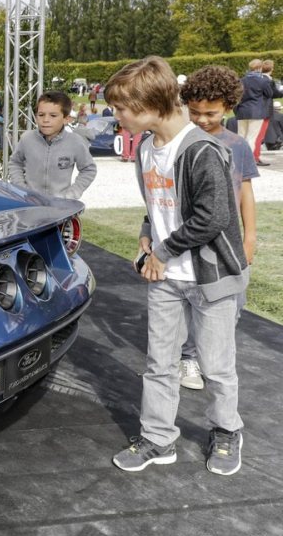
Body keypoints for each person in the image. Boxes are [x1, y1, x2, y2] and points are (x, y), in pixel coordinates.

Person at [107, 56, 248, 476]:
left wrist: (162, 252)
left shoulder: (204, 150)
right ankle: (158, 438)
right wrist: (146, 236)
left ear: (150, 104)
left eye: (121, 109)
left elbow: (214, 216)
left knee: (216, 366)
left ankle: (226, 432)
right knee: (160, 363)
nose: (117, 117)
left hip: (211, 278)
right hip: (165, 279)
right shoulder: (147, 149)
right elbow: (157, 206)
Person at [175, 66, 259, 390]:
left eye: (210, 113)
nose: (201, 120)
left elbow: (246, 193)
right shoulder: (180, 142)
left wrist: (250, 238)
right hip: (191, 240)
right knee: (191, 304)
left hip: (228, 245)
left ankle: (215, 357)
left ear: (228, 106)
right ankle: (189, 358)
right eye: (194, 112)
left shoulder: (238, 145)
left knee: (232, 305)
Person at [8, 91, 97, 198]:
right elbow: (15, 163)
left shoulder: (75, 141)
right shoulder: (27, 139)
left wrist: (72, 194)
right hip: (30, 205)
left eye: (53, 115)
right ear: (36, 117)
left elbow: (89, 169)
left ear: (66, 119)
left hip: (61, 208)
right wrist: (21, 188)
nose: (45, 120)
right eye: (41, 115)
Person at [235, 59, 274, 166]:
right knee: (251, 138)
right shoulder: (263, 81)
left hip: (242, 111)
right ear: (259, 68)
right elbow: (269, 94)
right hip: (256, 111)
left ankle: (238, 159)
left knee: (241, 136)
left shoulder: (241, 80)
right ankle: (247, 161)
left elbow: (237, 95)